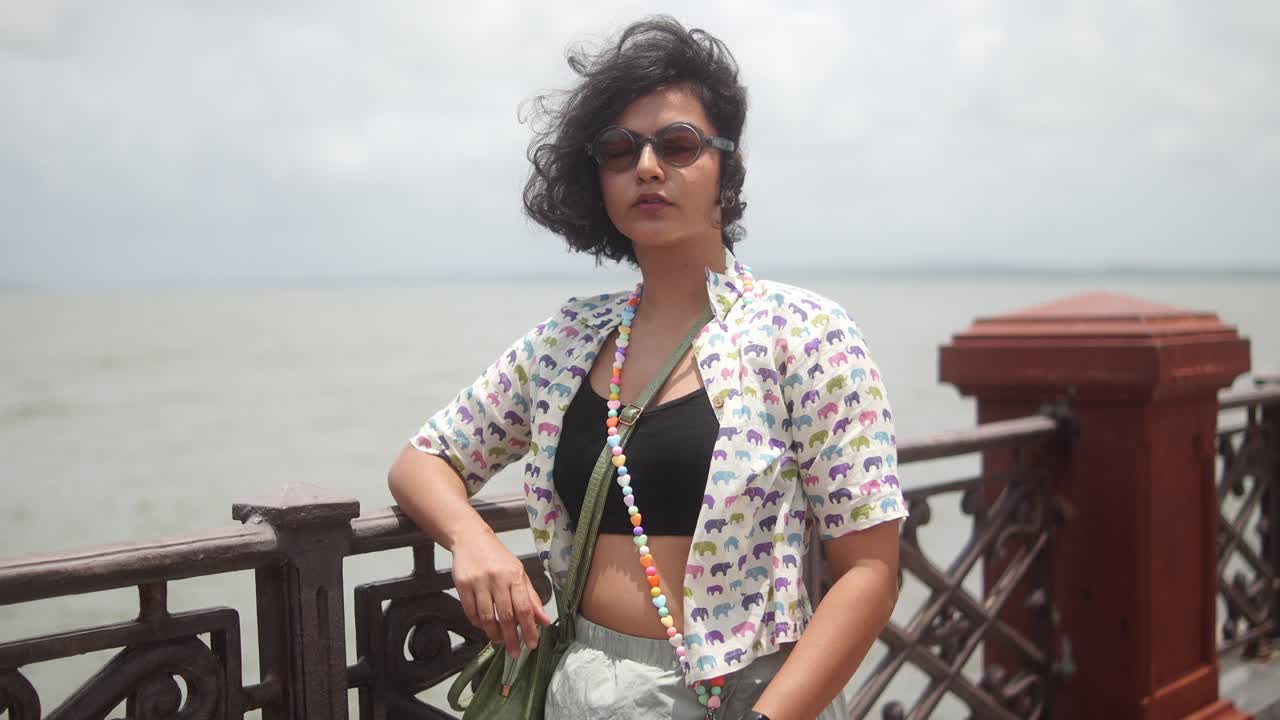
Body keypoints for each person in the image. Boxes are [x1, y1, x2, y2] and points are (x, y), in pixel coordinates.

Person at [388, 16, 906, 720]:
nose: (649, 167)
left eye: (679, 144)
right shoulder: (568, 338)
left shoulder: (805, 333)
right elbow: (426, 459)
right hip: (583, 690)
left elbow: (869, 570)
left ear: (727, 167)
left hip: (750, 693)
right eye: (619, 149)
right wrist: (474, 540)